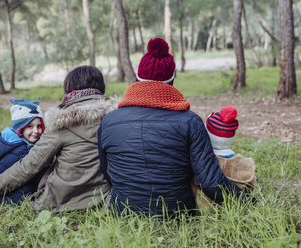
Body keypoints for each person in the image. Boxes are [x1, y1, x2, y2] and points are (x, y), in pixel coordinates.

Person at [98, 38, 243, 216]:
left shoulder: (109, 121)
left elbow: (107, 171)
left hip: (122, 211)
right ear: (172, 81)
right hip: (177, 214)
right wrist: (248, 200)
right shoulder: (191, 121)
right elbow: (209, 181)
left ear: (137, 79)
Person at [0, 66, 116, 212]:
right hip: (103, 196)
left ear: (69, 87)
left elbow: (31, 164)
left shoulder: (61, 122)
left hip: (62, 198)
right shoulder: (114, 118)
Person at [192, 106, 256, 208]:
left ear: (206, 133)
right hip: (235, 207)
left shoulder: (201, 161)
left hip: (204, 210)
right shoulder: (243, 164)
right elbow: (250, 187)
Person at [0, 98, 45, 205]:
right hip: (15, 197)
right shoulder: (22, 150)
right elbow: (35, 171)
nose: (36, 131)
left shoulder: (22, 142)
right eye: (30, 126)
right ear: (20, 128)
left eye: (39, 126)